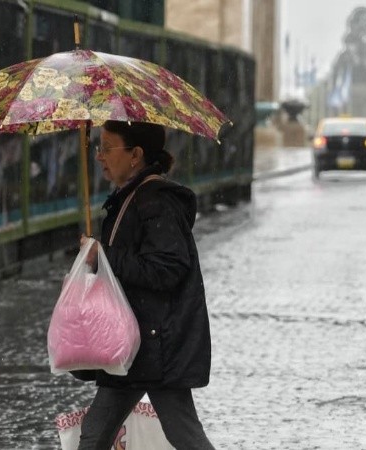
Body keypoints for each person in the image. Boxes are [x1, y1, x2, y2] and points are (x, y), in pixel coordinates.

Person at [76, 120, 214, 450]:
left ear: (135, 154)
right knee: (95, 432)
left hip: (157, 345)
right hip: (134, 342)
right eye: (98, 148)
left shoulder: (157, 201)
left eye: (107, 148)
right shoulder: (131, 197)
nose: (99, 157)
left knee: (183, 432)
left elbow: (166, 269)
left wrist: (103, 256)